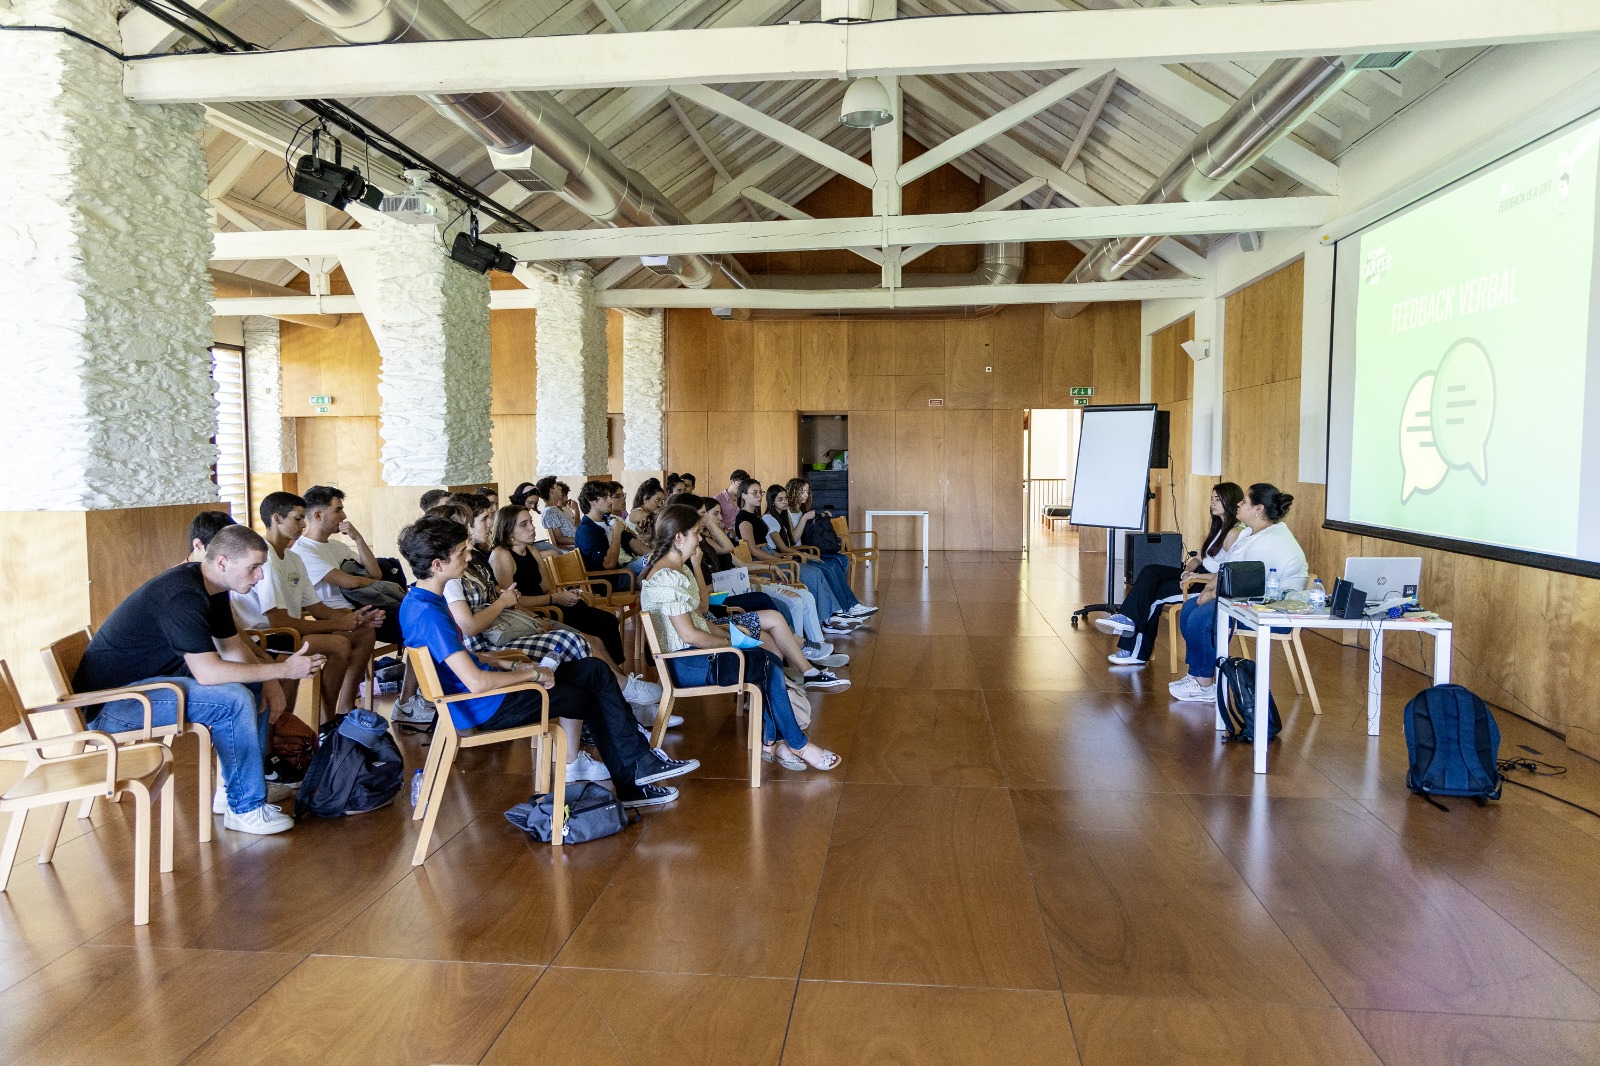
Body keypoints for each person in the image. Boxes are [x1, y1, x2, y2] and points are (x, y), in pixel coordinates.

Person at [399, 516, 696, 810]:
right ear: (437, 565)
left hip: (482, 698)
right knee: (589, 695)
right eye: (461, 552)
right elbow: (476, 682)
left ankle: (639, 765)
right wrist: (531, 674)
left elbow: (458, 659)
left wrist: (509, 665)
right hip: (487, 705)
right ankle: (634, 776)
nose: (468, 556)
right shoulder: (432, 615)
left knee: (595, 670)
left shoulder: (418, 601)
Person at [74, 525, 325, 835]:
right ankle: (244, 806)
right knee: (233, 700)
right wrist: (283, 670)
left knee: (250, 684)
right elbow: (209, 672)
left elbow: (233, 649)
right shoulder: (181, 596)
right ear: (222, 563)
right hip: (115, 706)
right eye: (254, 568)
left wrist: (271, 681)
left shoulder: (213, 586)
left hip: (150, 686)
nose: (260, 576)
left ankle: (239, 789)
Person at [642, 505, 843, 771]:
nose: (700, 539)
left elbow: (700, 618)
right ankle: (794, 743)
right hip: (685, 663)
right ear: (679, 538)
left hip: (694, 655)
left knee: (767, 659)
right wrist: (730, 643)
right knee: (766, 664)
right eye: (695, 533)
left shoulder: (676, 569)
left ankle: (776, 741)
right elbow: (689, 634)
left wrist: (728, 634)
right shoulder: (667, 577)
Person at [234, 491, 383, 716]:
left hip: (288, 632)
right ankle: (326, 718)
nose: (303, 524)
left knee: (363, 632)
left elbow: (318, 609)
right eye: (297, 518)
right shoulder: (265, 560)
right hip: (266, 635)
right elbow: (278, 620)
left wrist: (355, 618)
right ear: (276, 518)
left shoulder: (293, 557)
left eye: (304, 518)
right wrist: (342, 624)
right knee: (339, 644)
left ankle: (342, 712)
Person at [1171, 483, 1308, 703]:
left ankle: (1204, 685)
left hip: (1270, 611)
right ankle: (1197, 674)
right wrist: (1206, 590)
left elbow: (1244, 583)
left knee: (1201, 618)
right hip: (1245, 602)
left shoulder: (1271, 543)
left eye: (1243, 501)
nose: (1238, 504)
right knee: (1189, 608)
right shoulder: (1247, 533)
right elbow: (1227, 568)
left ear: (1258, 509)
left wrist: (1210, 595)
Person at [1095, 482, 1245, 666]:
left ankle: (1136, 651)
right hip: (1195, 575)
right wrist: (1188, 570)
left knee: (1153, 597)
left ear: (1230, 501)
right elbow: (1199, 557)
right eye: (1211, 499)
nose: (1212, 503)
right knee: (1150, 570)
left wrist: (1195, 577)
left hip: (1206, 583)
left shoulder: (1234, 532)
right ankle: (1128, 619)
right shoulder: (1218, 527)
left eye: (1217, 499)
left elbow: (1227, 571)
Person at [490, 504, 636, 672]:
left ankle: (616, 673)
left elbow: (547, 588)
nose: (532, 527)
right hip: (533, 612)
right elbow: (512, 602)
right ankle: (611, 675)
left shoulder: (531, 550)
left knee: (606, 621)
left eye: (530, 521)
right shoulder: (502, 555)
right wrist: (555, 599)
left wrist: (565, 595)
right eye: (524, 524)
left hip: (549, 604)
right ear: (508, 531)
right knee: (598, 628)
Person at [733, 478, 864, 636]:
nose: (759, 496)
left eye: (760, 492)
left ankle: (832, 614)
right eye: (754, 493)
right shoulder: (744, 518)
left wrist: (781, 556)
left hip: (770, 555)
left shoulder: (755, 515)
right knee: (813, 573)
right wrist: (778, 559)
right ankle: (828, 619)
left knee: (818, 571)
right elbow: (753, 550)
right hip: (762, 561)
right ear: (744, 496)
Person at [763, 484, 875, 623]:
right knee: (826, 568)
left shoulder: (784, 516)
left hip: (795, 553)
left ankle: (849, 606)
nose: (785, 502)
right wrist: (808, 555)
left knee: (834, 564)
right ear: (771, 501)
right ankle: (842, 609)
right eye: (780, 499)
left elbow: (791, 541)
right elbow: (784, 547)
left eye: (786, 498)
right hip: (787, 557)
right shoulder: (769, 519)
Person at [575, 480, 648, 591]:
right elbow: (609, 564)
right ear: (592, 501)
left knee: (659, 558)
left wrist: (657, 554)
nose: (610, 500)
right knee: (656, 571)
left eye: (610, 496)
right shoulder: (586, 530)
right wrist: (616, 533)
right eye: (605, 497)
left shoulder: (608, 520)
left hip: (625, 571)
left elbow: (634, 545)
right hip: (610, 582)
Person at [535, 476, 578, 550]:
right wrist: (582, 541)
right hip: (572, 550)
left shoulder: (555, 509)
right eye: (557, 486)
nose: (560, 488)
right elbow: (559, 539)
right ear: (551, 490)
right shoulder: (549, 511)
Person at [628, 478, 667, 546]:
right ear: (645, 499)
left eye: (662, 501)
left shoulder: (648, 513)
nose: (660, 505)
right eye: (657, 500)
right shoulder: (638, 513)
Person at [713, 469, 749, 533]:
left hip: (741, 531)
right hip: (724, 532)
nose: (741, 489)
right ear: (732, 481)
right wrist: (727, 525)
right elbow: (712, 519)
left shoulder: (743, 498)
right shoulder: (718, 499)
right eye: (739, 485)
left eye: (743, 487)